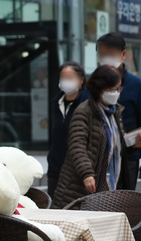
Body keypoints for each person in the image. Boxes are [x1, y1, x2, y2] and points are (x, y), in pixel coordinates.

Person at [53, 65, 141, 209]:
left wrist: (134, 146)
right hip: (80, 188)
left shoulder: (115, 113)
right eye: (112, 89)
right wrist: (87, 174)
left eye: (119, 88)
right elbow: (77, 146)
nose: (116, 93)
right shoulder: (84, 112)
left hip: (108, 186)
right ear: (100, 88)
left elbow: (115, 148)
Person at [97, 32, 141, 188]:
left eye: (110, 54)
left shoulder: (137, 86)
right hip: (97, 159)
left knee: (125, 206)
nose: (106, 59)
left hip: (128, 159)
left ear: (123, 54)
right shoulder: (93, 84)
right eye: (102, 54)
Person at [47, 61, 89, 197]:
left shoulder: (86, 104)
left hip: (77, 168)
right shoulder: (56, 103)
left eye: (70, 78)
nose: (66, 81)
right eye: (63, 77)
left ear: (81, 80)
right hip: (55, 167)